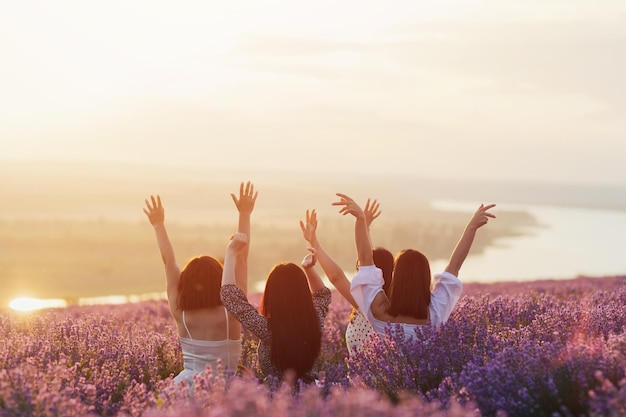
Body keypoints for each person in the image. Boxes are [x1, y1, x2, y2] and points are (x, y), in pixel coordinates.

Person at [333, 193, 495, 339]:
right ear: (425, 278)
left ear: (396, 277)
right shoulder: (434, 314)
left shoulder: (379, 311)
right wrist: (472, 227)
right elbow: (455, 265)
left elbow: (365, 258)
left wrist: (361, 220)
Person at [143, 182, 257, 385]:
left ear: (185, 283)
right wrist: (245, 214)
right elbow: (241, 259)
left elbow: (169, 262)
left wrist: (158, 225)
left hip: (186, 387)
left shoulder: (181, 313)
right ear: (219, 281)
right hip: (228, 387)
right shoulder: (232, 311)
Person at [220, 232, 331, 384]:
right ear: (303, 293)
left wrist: (231, 252)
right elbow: (323, 295)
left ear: (272, 295)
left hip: (276, 399)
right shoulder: (314, 320)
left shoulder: (268, 329)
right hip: (311, 394)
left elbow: (229, 296)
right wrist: (309, 269)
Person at [299, 204, 394, 356]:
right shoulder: (386, 305)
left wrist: (315, 243)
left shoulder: (368, 305)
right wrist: (365, 227)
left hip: (364, 379)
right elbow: (369, 263)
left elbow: (337, 277)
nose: (359, 273)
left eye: (361, 269)